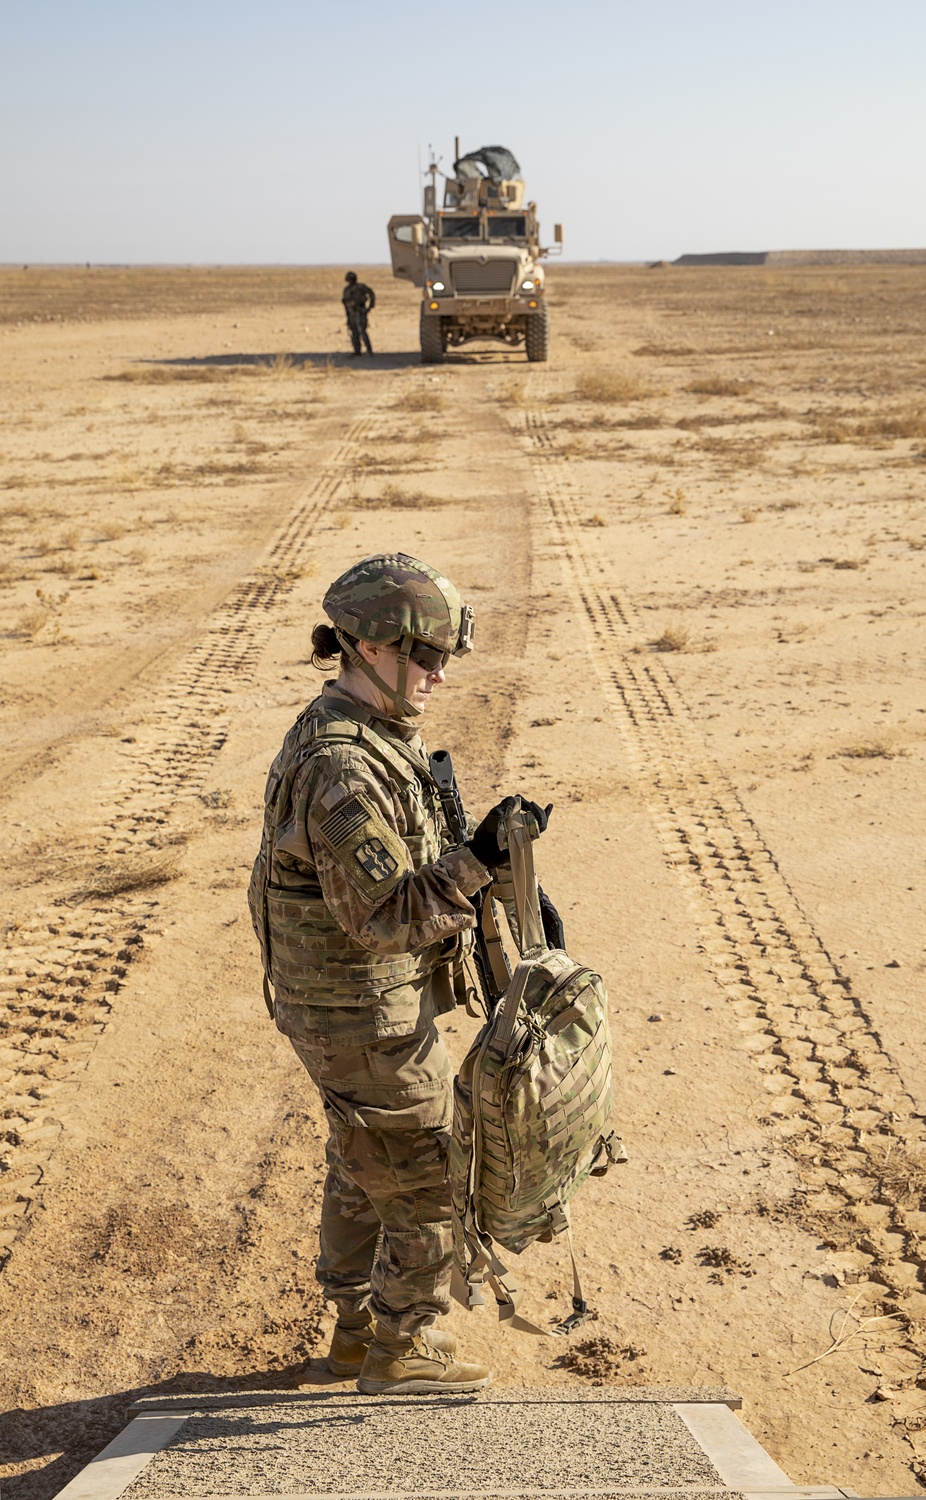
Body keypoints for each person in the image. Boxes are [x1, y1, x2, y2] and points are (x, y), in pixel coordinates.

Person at [247, 553, 550, 1394]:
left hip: (348, 1008)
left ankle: (353, 1330)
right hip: (360, 1014)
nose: (438, 674)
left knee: (362, 1154)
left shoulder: (366, 733)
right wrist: (479, 861)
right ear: (367, 647)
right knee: (424, 1170)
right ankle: (403, 1346)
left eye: (444, 656)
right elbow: (384, 916)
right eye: (423, 656)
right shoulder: (343, 766)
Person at [342, 271, 375, 356]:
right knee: (354, 332)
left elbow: (371, 294)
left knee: (362, 331)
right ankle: (357, 350)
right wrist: (348, 316)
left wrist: (370, 306)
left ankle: (369, 350)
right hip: (351, 313)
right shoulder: (347, 290)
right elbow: (345, 303)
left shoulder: (360, 287)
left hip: (360, 312)